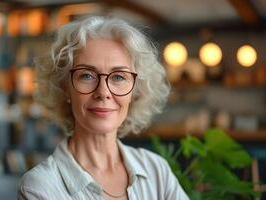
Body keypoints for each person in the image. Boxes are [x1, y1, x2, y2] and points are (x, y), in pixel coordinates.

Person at [18, 16, 189, 200]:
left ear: (135, 91)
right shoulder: (41, 187)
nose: (103, 92)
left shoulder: (156, 170)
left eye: (118, 77)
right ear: (65, 88)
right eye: (87, 75)